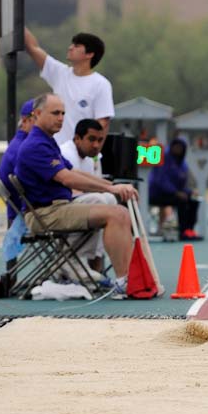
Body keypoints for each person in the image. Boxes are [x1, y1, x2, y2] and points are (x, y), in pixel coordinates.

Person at [14, 93, 138, 297]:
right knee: (117, 214)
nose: (61, 118)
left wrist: (112, 185)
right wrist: (112, 188)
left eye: (63, 113)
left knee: (109, 202)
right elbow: (67, 179)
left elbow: (74, 172)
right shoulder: (36, 145)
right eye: (55, 113)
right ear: (37, 114)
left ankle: (80, 263)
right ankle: (123, 281)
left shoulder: (47, 141)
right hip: (45, 214)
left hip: (57, 207)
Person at [23, 27, 114, 146]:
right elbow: (33, 48)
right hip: (57, 153)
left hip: (82, 156)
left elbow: (102, 123)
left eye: (76, 46)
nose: (70, 48)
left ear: (90, 54)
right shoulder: (59, 73)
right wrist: (16, 19)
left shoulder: (101, 84)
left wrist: (89, 151)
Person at [60, 119, 118, 272]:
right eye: (91, 139)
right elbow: (73, 191)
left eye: (100, 140)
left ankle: (96, 263)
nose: (96, 145)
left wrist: (112, 189)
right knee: (99, 202)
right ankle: (70, 259)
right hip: (57, 210)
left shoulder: (89, 158)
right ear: (77, 138)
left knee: (109, 200)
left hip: (72, 210)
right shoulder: (66, 153)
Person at [148, 137, 202, 241]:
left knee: (194, 199)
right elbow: (160, 181)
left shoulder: (182, 164)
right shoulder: (163, 159)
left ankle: (189, 230)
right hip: (157, 194)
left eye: (180, 147)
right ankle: (182, 232)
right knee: (182, 201)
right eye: (176, 147)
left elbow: (181, 185)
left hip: (173, 193)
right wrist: (176, 192)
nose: (178, 149)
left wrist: (189, 192)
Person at [0, 99, 35, 224]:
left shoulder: (20, 144)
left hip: (23, 213)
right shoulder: (23, 148)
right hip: (30, 215)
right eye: (38, 117)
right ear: (25, 120)